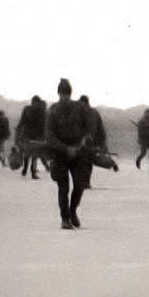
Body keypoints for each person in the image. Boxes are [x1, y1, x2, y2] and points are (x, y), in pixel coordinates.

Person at [46, 79, 95, 229]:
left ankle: (73, 211)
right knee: (63, 187)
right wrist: (65, 148)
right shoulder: (53, 110)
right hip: (60, 153)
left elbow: (90, 126)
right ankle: (65, 218)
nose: (65, 97)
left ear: (70, 94)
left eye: (67, 94)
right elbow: (49, 135)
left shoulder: (80, 108)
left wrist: (86, 139)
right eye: (62, 94)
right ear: (58, 94)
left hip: (79, 151)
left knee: (80, 184)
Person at [79, 95, 108, 189]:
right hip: (91, 140)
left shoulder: (88, 113)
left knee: (85, 161)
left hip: (89, 140)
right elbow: (101, 129)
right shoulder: (92, 112)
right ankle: (85, 182)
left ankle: (85, 182)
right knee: (87, 161)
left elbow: (94, 128)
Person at [16, 96, 46, 179]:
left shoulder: (26, 109)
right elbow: (44, 123)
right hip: (37, 135)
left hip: (27, 134)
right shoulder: (41, 111)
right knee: (34, 154)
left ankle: (25, 169)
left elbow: (22, 121)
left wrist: (18, 132)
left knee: (28, 152)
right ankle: (32, 172)